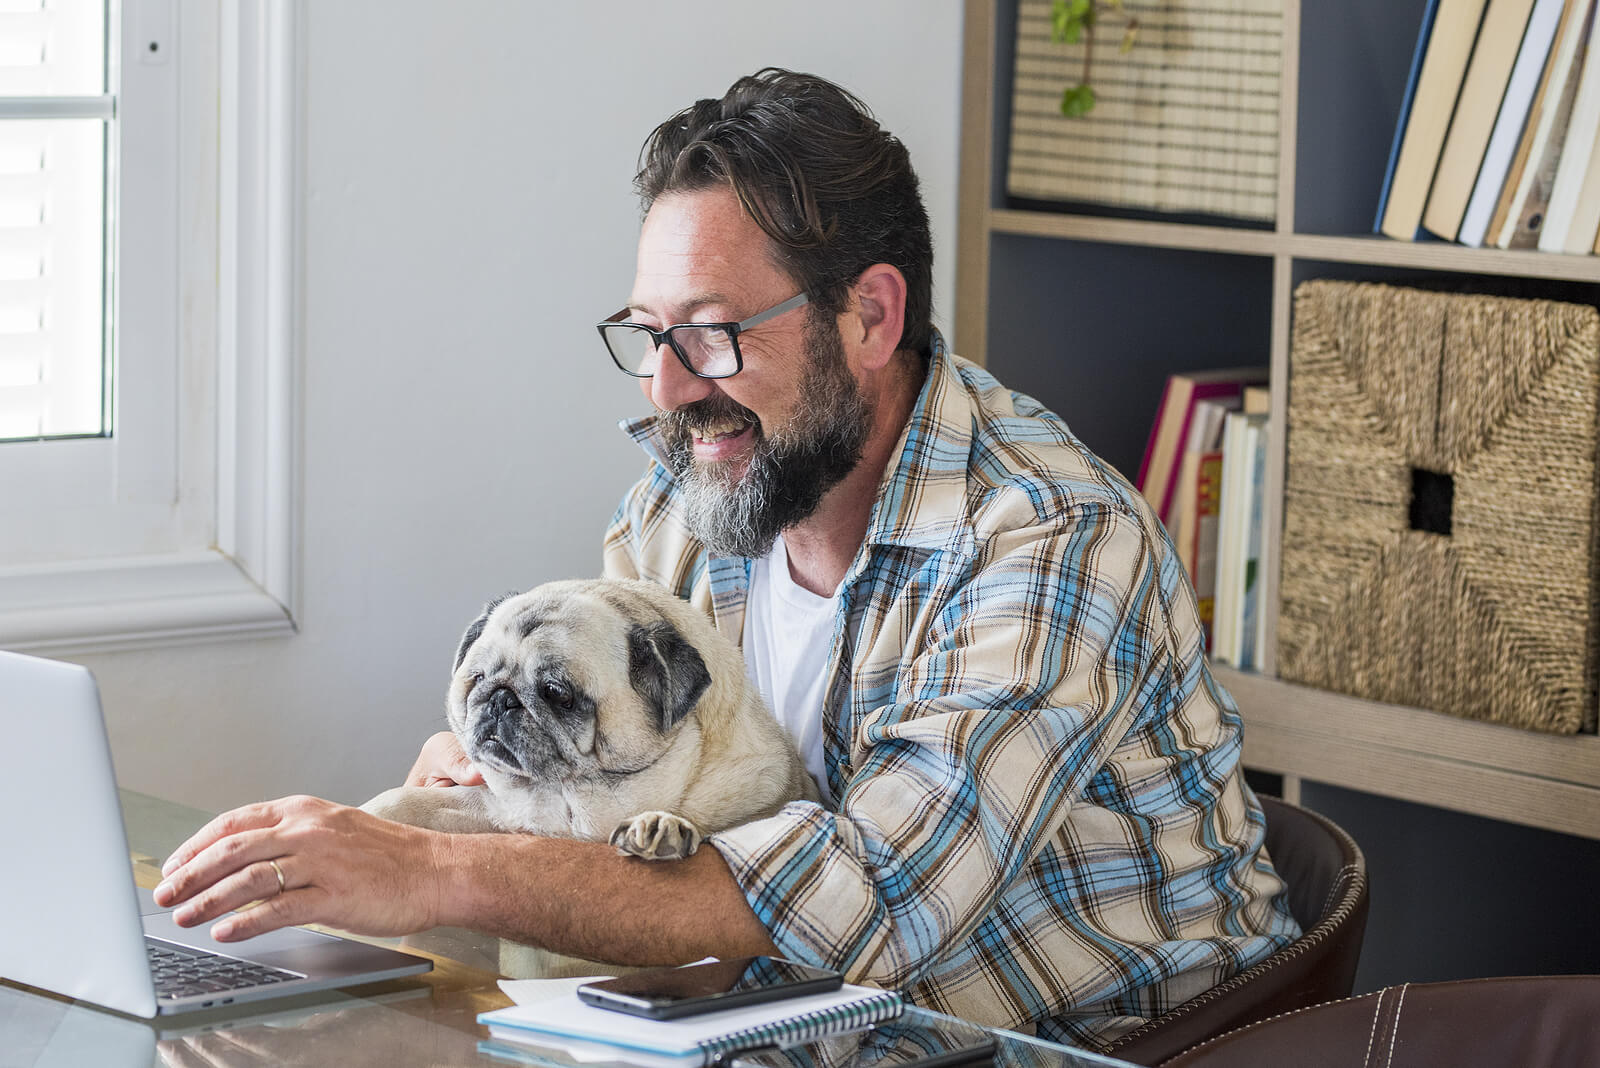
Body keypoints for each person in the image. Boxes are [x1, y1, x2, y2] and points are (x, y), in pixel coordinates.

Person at [154, 69, 1300, 1049]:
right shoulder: (690, 495)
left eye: (710, 331)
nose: (665, 388)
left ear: (870, 315)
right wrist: (503, 780)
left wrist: (435, 870)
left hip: (1096, 1047)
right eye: (649, 334)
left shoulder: (1050, 541)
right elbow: (621, 791)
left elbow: (873, 901)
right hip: (770, 1029)